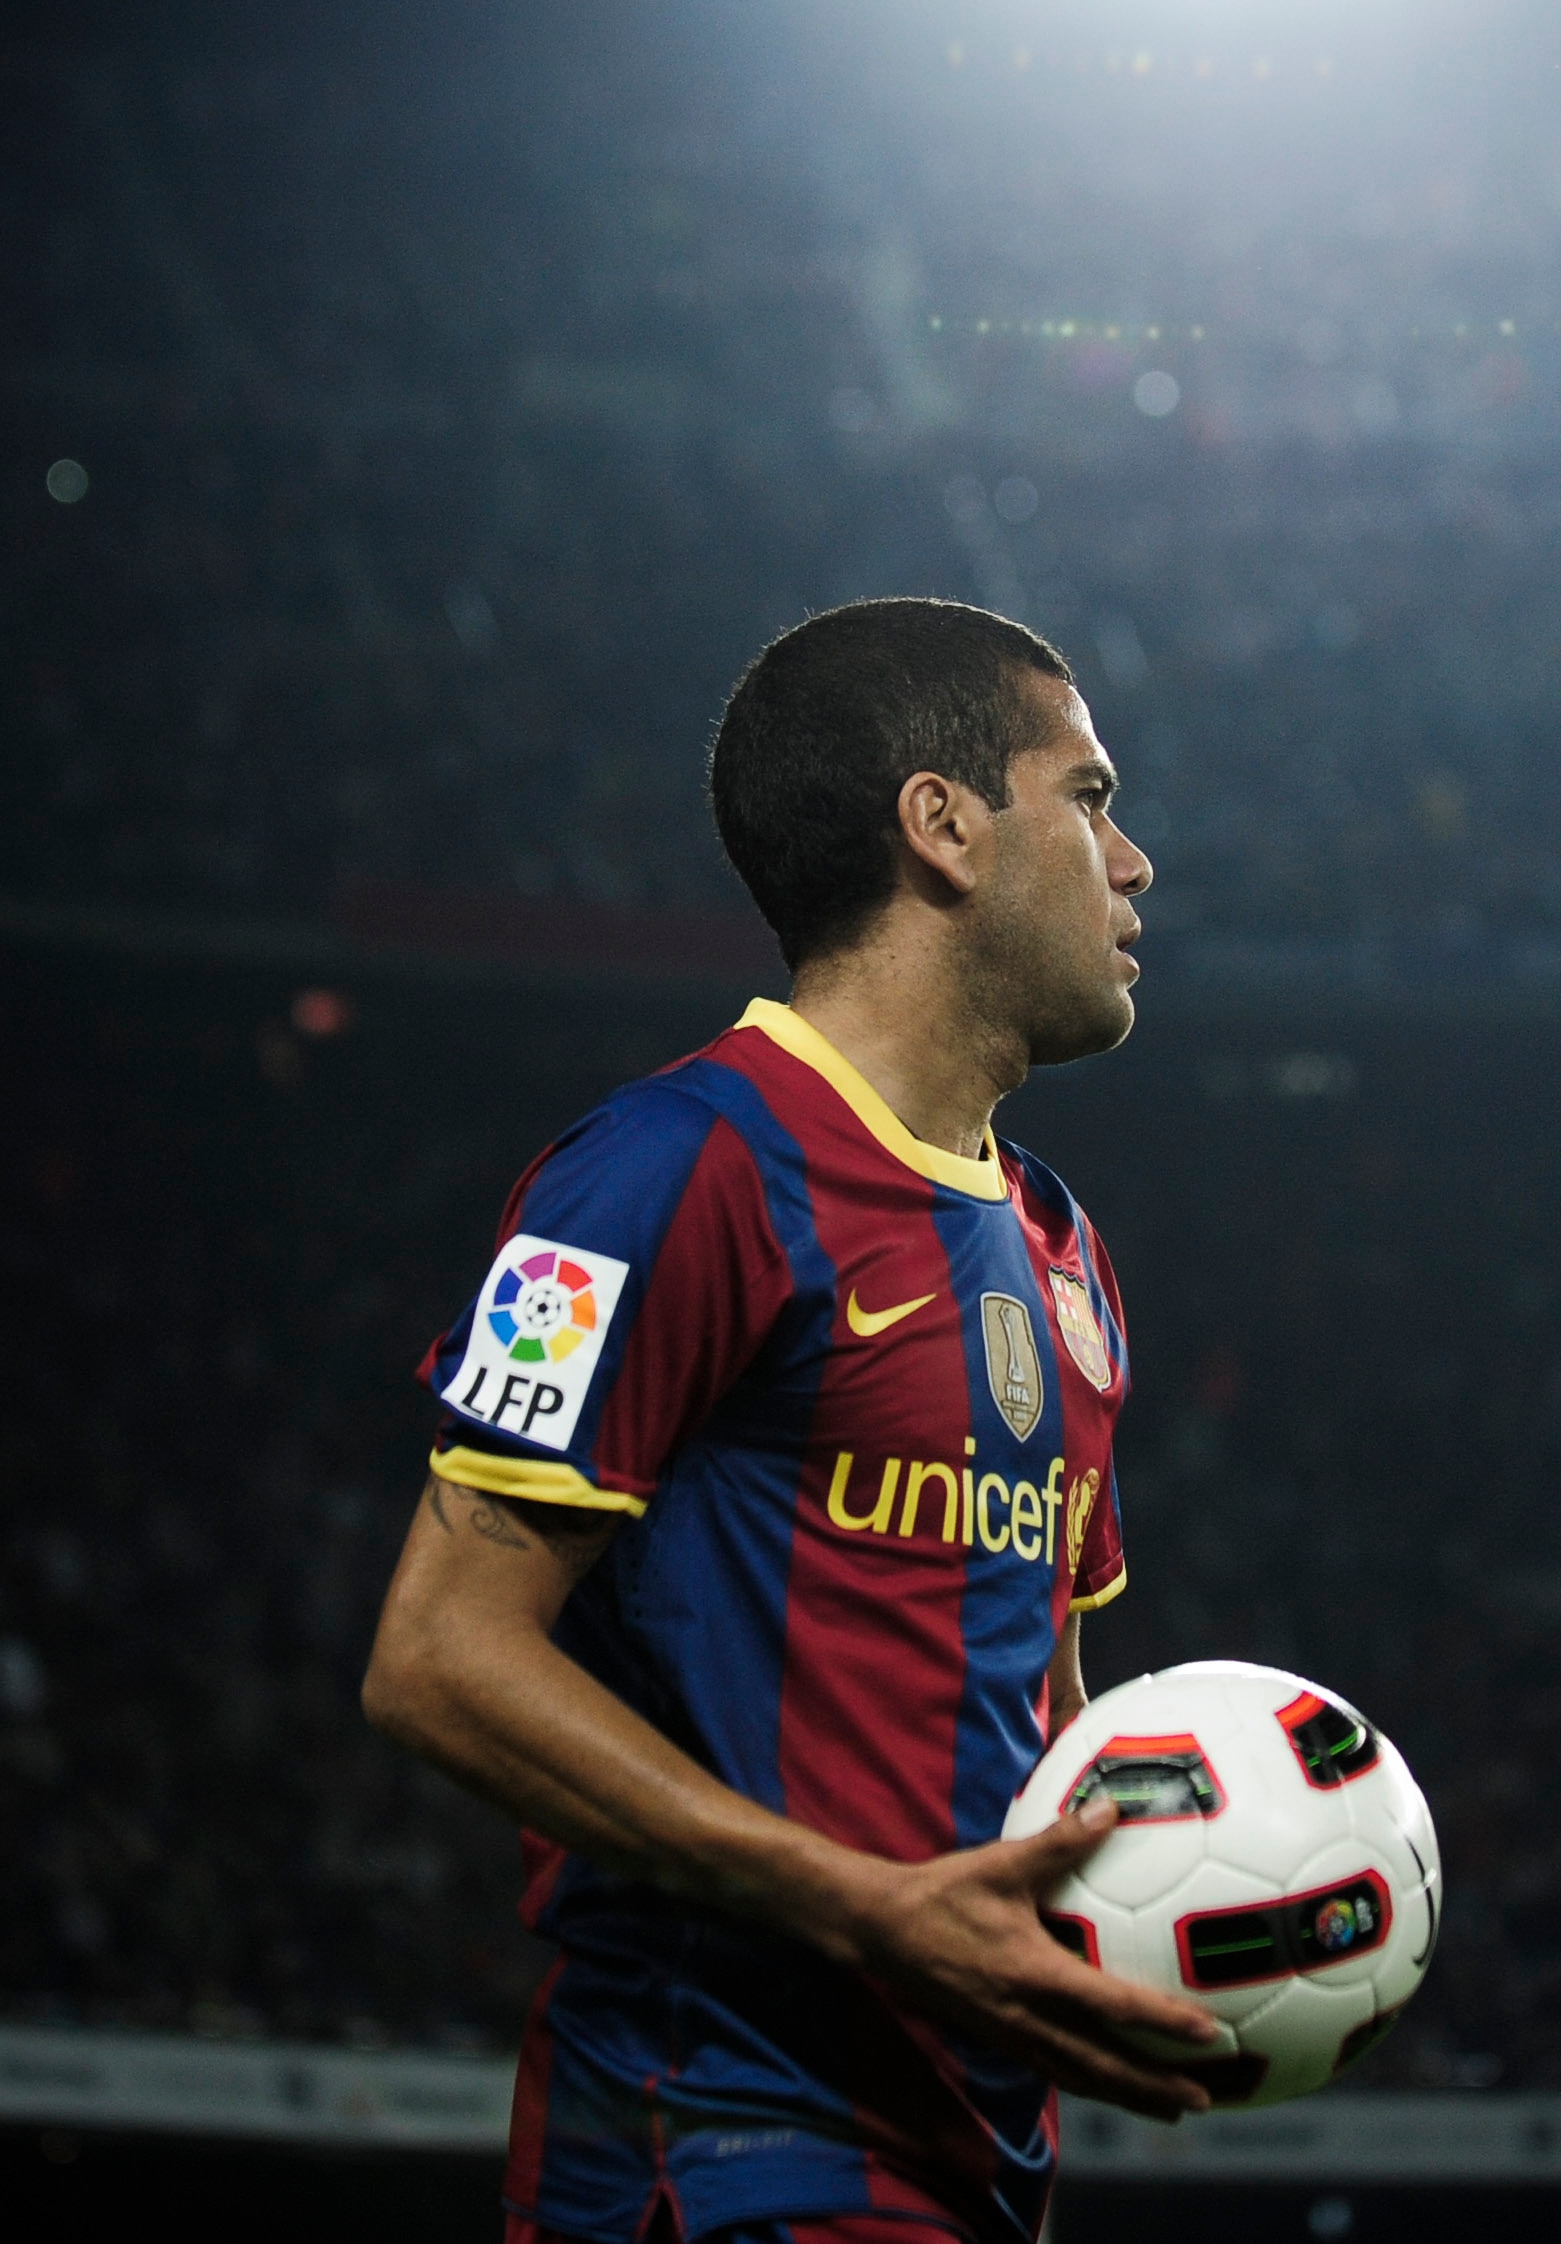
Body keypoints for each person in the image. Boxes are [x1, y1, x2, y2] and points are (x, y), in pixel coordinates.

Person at [363, 597, 1227, 2244]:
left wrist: (1206, 1906)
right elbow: (437, 1657)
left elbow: (1043, 1707)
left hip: (969, 2140)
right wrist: (876, 1916)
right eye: (1094, 800)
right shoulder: (664, 1170)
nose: (1135, 868)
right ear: (943, 825)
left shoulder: (1065, 1257)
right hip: (716, 2123)